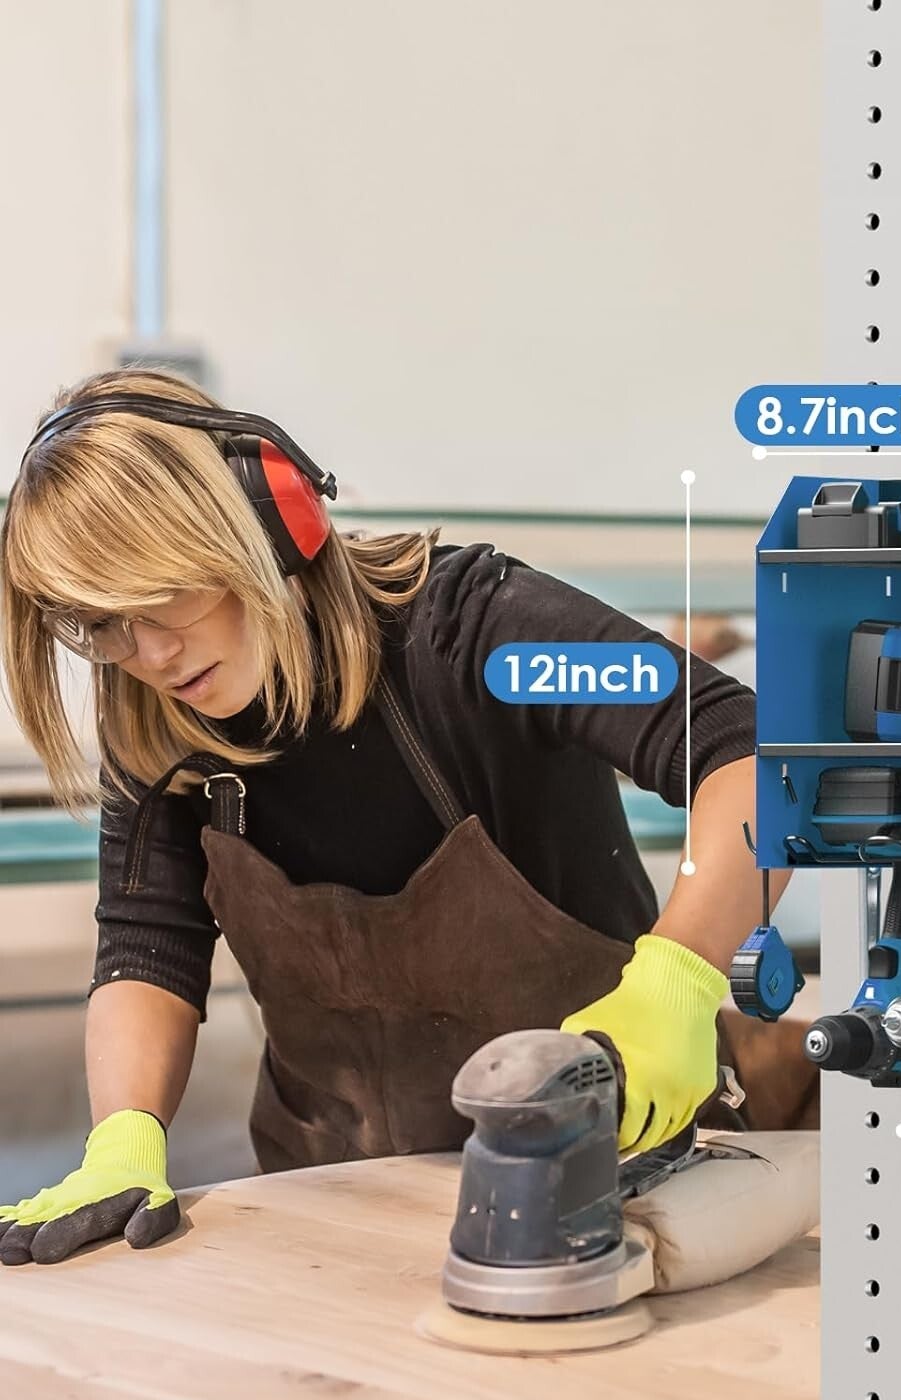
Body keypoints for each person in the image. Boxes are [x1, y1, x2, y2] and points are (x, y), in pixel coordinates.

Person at [0, 368, 816, 1267]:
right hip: (338, 1217)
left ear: (262, 521)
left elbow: (749, 753)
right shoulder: (158, 724)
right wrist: (122, 1137)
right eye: (105, 626)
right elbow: (146, 947)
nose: (149, 652)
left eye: (167, 597)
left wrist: (680, 980)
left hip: (615, 1189)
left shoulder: (475, 629)